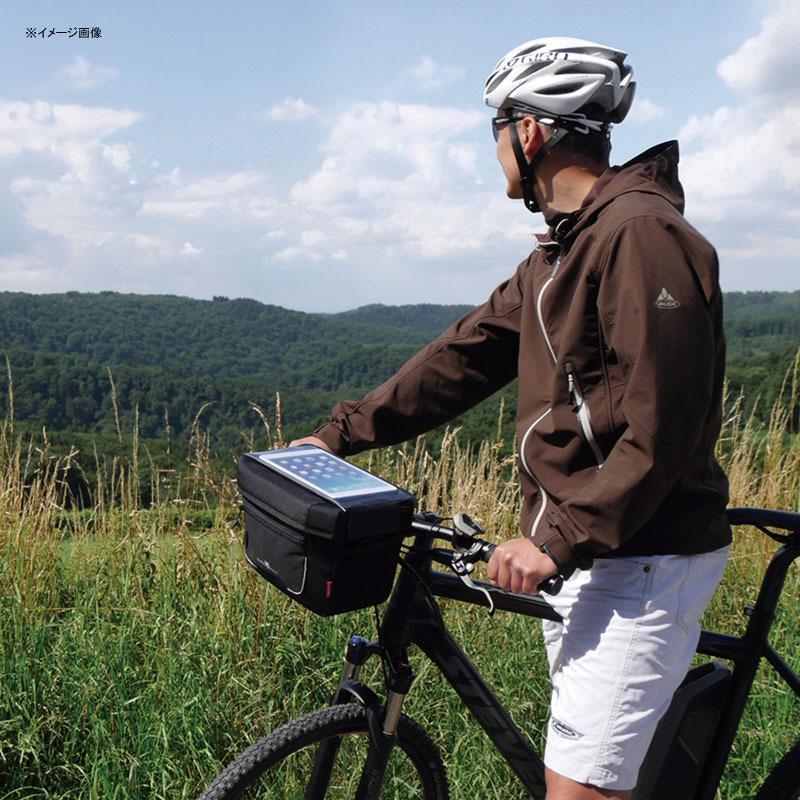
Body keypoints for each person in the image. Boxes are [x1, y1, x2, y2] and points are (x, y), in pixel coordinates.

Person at [291, 37, 731, 800]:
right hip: (597, 551)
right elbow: (462, 357)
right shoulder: (562, 252)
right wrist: (339, 433)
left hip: (642, 556)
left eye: (496, 129)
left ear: (528, 132)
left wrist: (556, 536)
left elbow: (665, 425)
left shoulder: (641, 236)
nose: (495, 147)